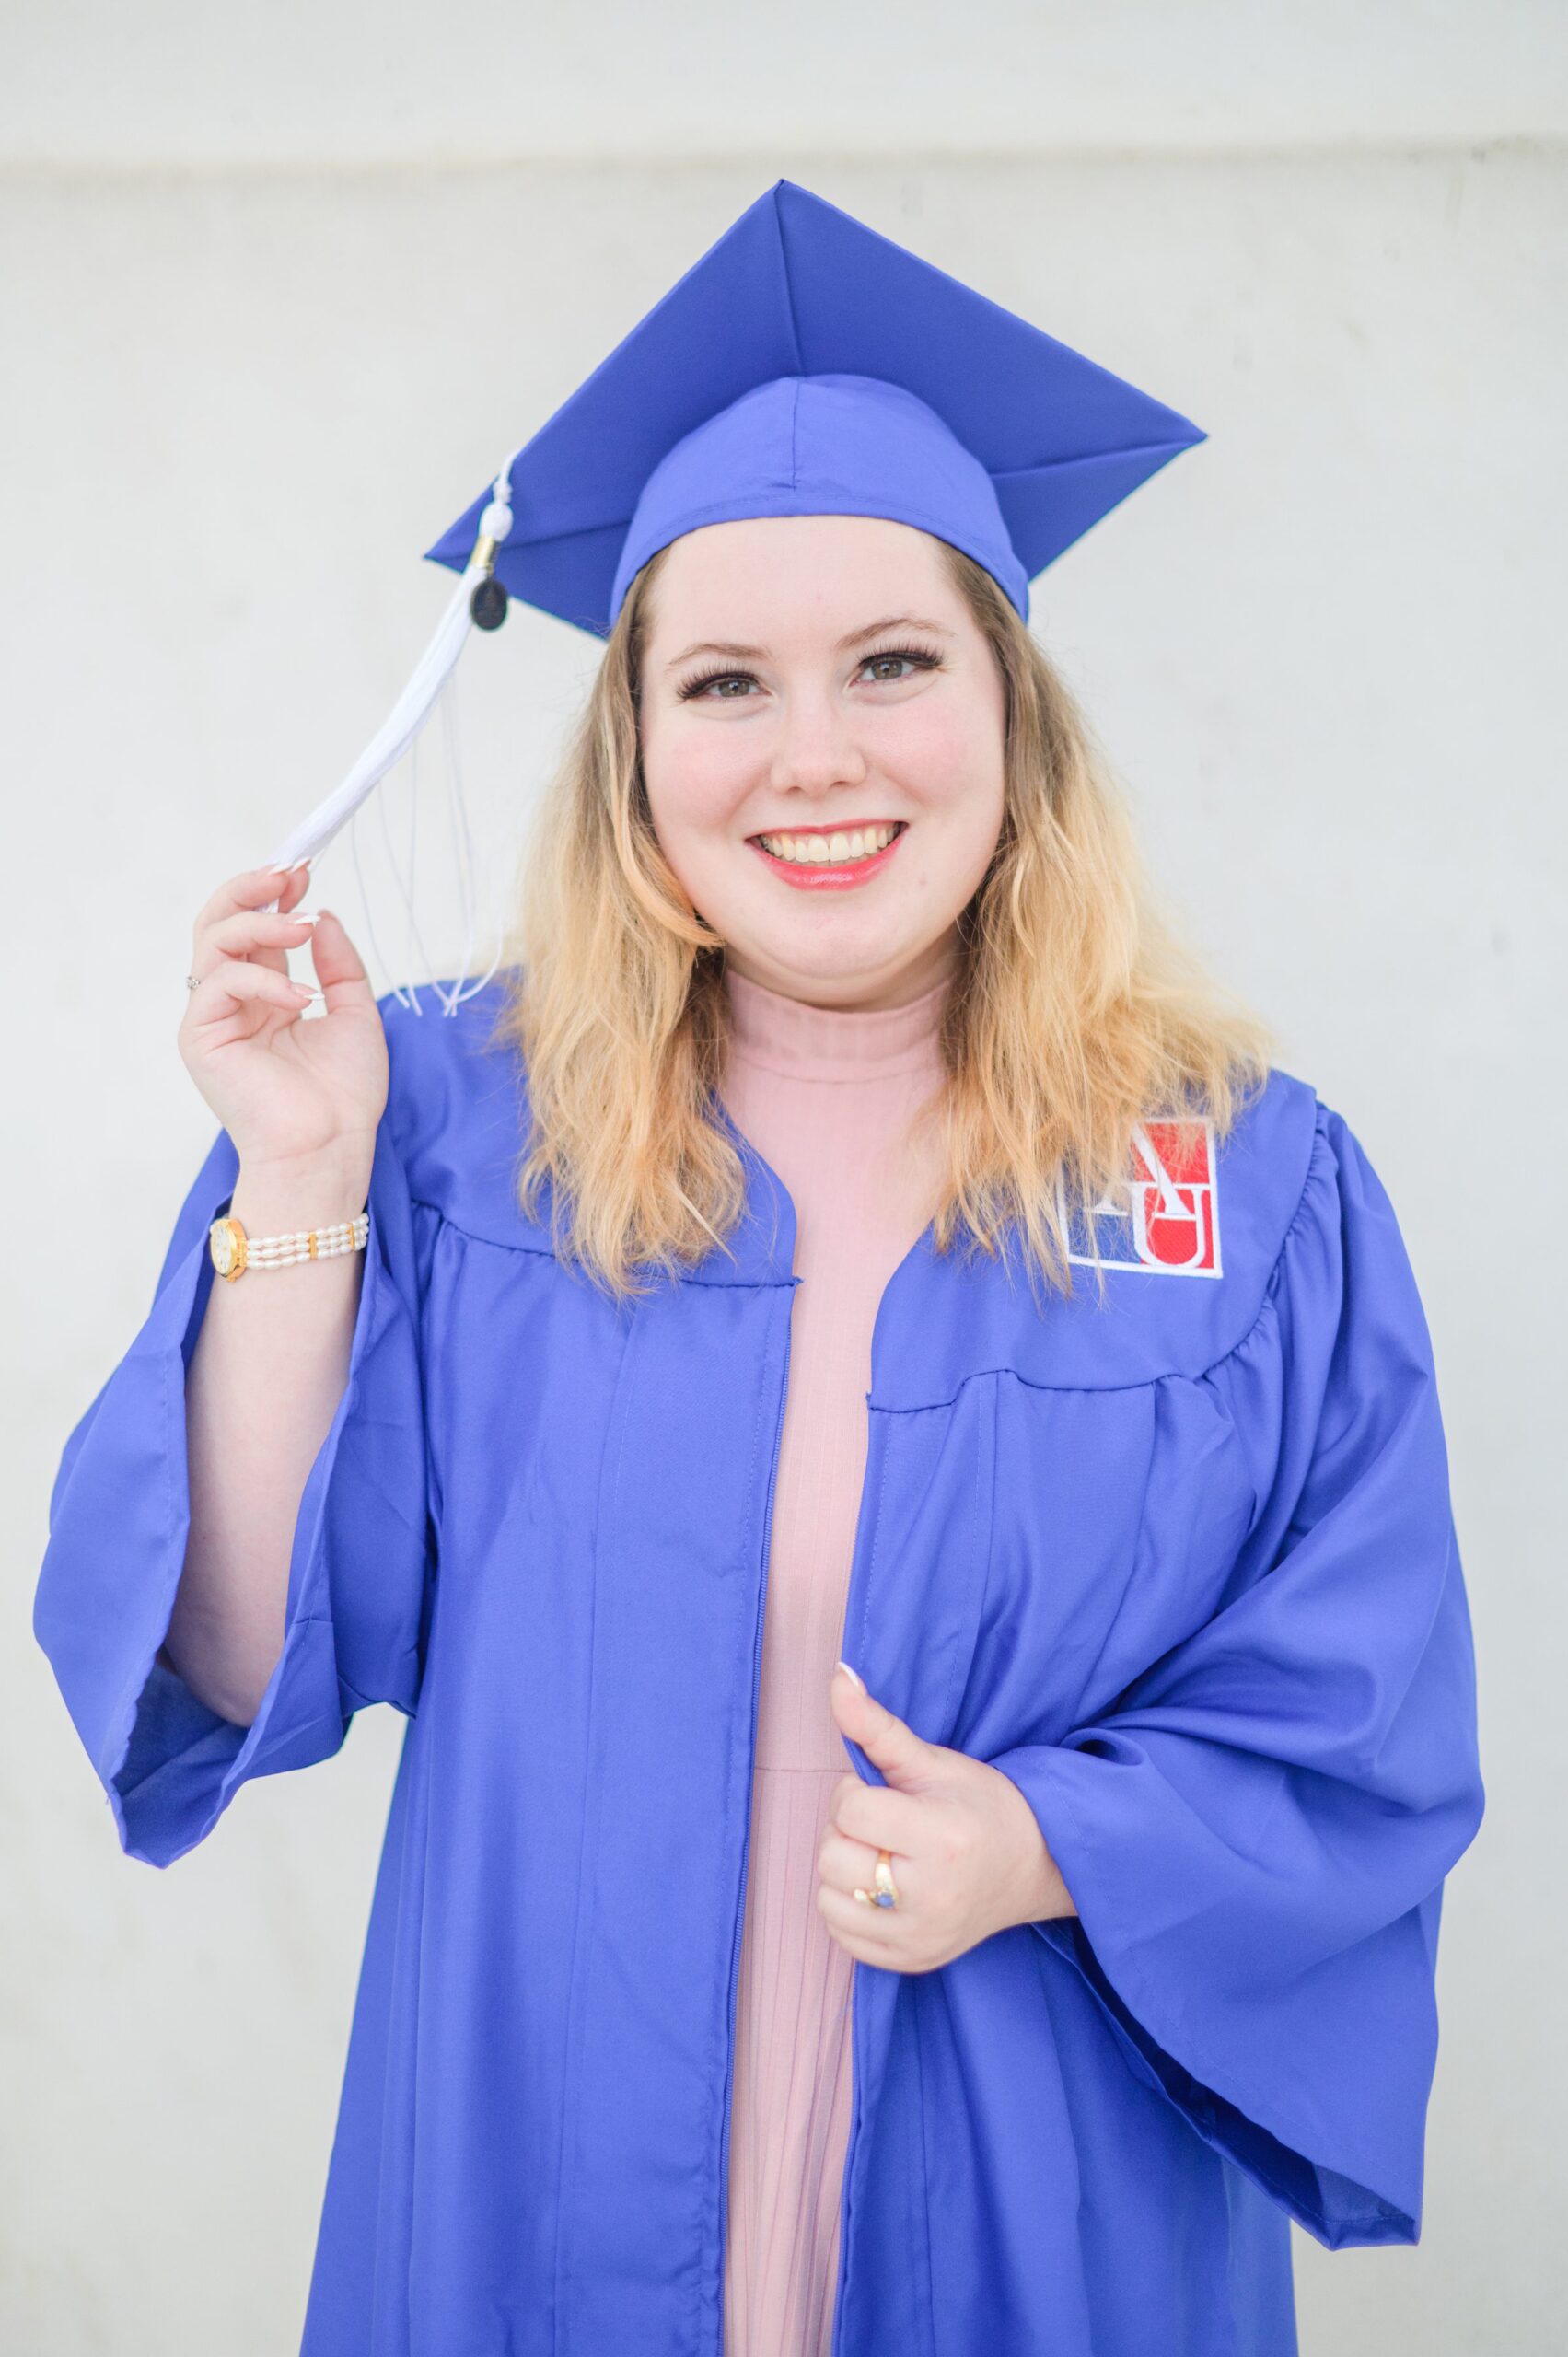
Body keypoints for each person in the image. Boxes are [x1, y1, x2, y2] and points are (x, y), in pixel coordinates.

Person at [34, 181, 1485, 2357]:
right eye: (725, 681)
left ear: (1015, 718)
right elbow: (229, 1651)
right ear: (635, 762)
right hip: (539, 2161)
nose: (815, 751)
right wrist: (304, 1166)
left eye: (894, 663)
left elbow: (1364, 1716)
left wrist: (1048, 1840)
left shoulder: (1245, 1195)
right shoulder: (450, 1123)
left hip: (1034, 2170)